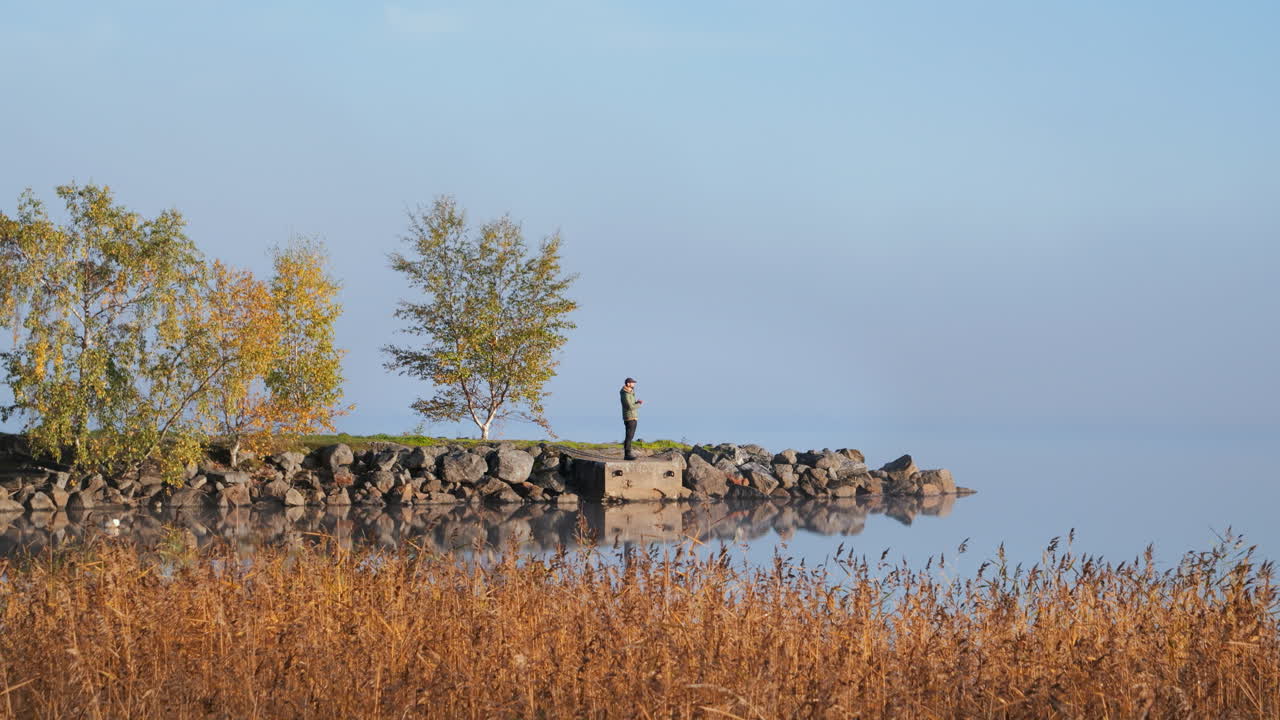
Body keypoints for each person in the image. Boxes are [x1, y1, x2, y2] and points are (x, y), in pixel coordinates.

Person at [620, 377, 643, 460]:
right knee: (629, 436)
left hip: (633, 416)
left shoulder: (630, 392)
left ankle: (628, 453)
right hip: (629, 417)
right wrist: (639, 404)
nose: (634, 384)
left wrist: (636, 402)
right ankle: (627, 454)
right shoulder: (625, 393)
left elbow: (632, 404)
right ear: (628, 383)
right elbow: (629, 406)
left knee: (630, 436)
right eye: (632, 383)